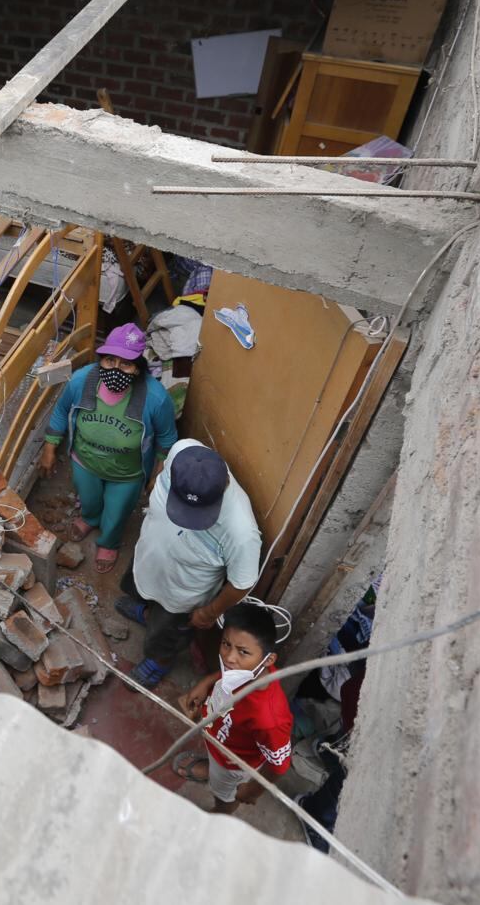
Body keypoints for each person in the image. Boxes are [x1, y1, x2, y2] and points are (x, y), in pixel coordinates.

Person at [115, 438, 260, 686]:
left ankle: (158, 661)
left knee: (166, 633)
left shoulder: (241, 531)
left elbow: (241, 583)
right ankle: (146, 613)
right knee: (138, 587)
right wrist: (155, 482)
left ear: (225, 484)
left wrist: (208, 612)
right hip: (149, 557)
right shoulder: (183, 451)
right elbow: (162, 468)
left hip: (181, 594)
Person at [38, 323, 177, 572]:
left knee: (116, 513)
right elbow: (60, 411)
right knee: (89, 500)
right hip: (84, 462)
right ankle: (90, 518)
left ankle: (109, 542)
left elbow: (167, 440)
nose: (116, 369)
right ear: (101, 359)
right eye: (110, 360)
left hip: (127, 474)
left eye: (126, 364)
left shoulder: (155, 398)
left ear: (138, 368)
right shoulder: (82, 381)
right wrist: (50, 448)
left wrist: (157, 475)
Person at [175, 602, 293, 814]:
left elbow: (280, 764)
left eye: (243, 651)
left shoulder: (268, 717)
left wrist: (252, 791)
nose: (229, 657)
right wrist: (207, 682)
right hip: (219, 739)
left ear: (268, 660)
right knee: (216, 767)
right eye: (226, 644)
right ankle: (212, 769)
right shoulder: (247, 670)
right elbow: (228, 674)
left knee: (224, 794)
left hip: (232, 764)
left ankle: (220, 812)